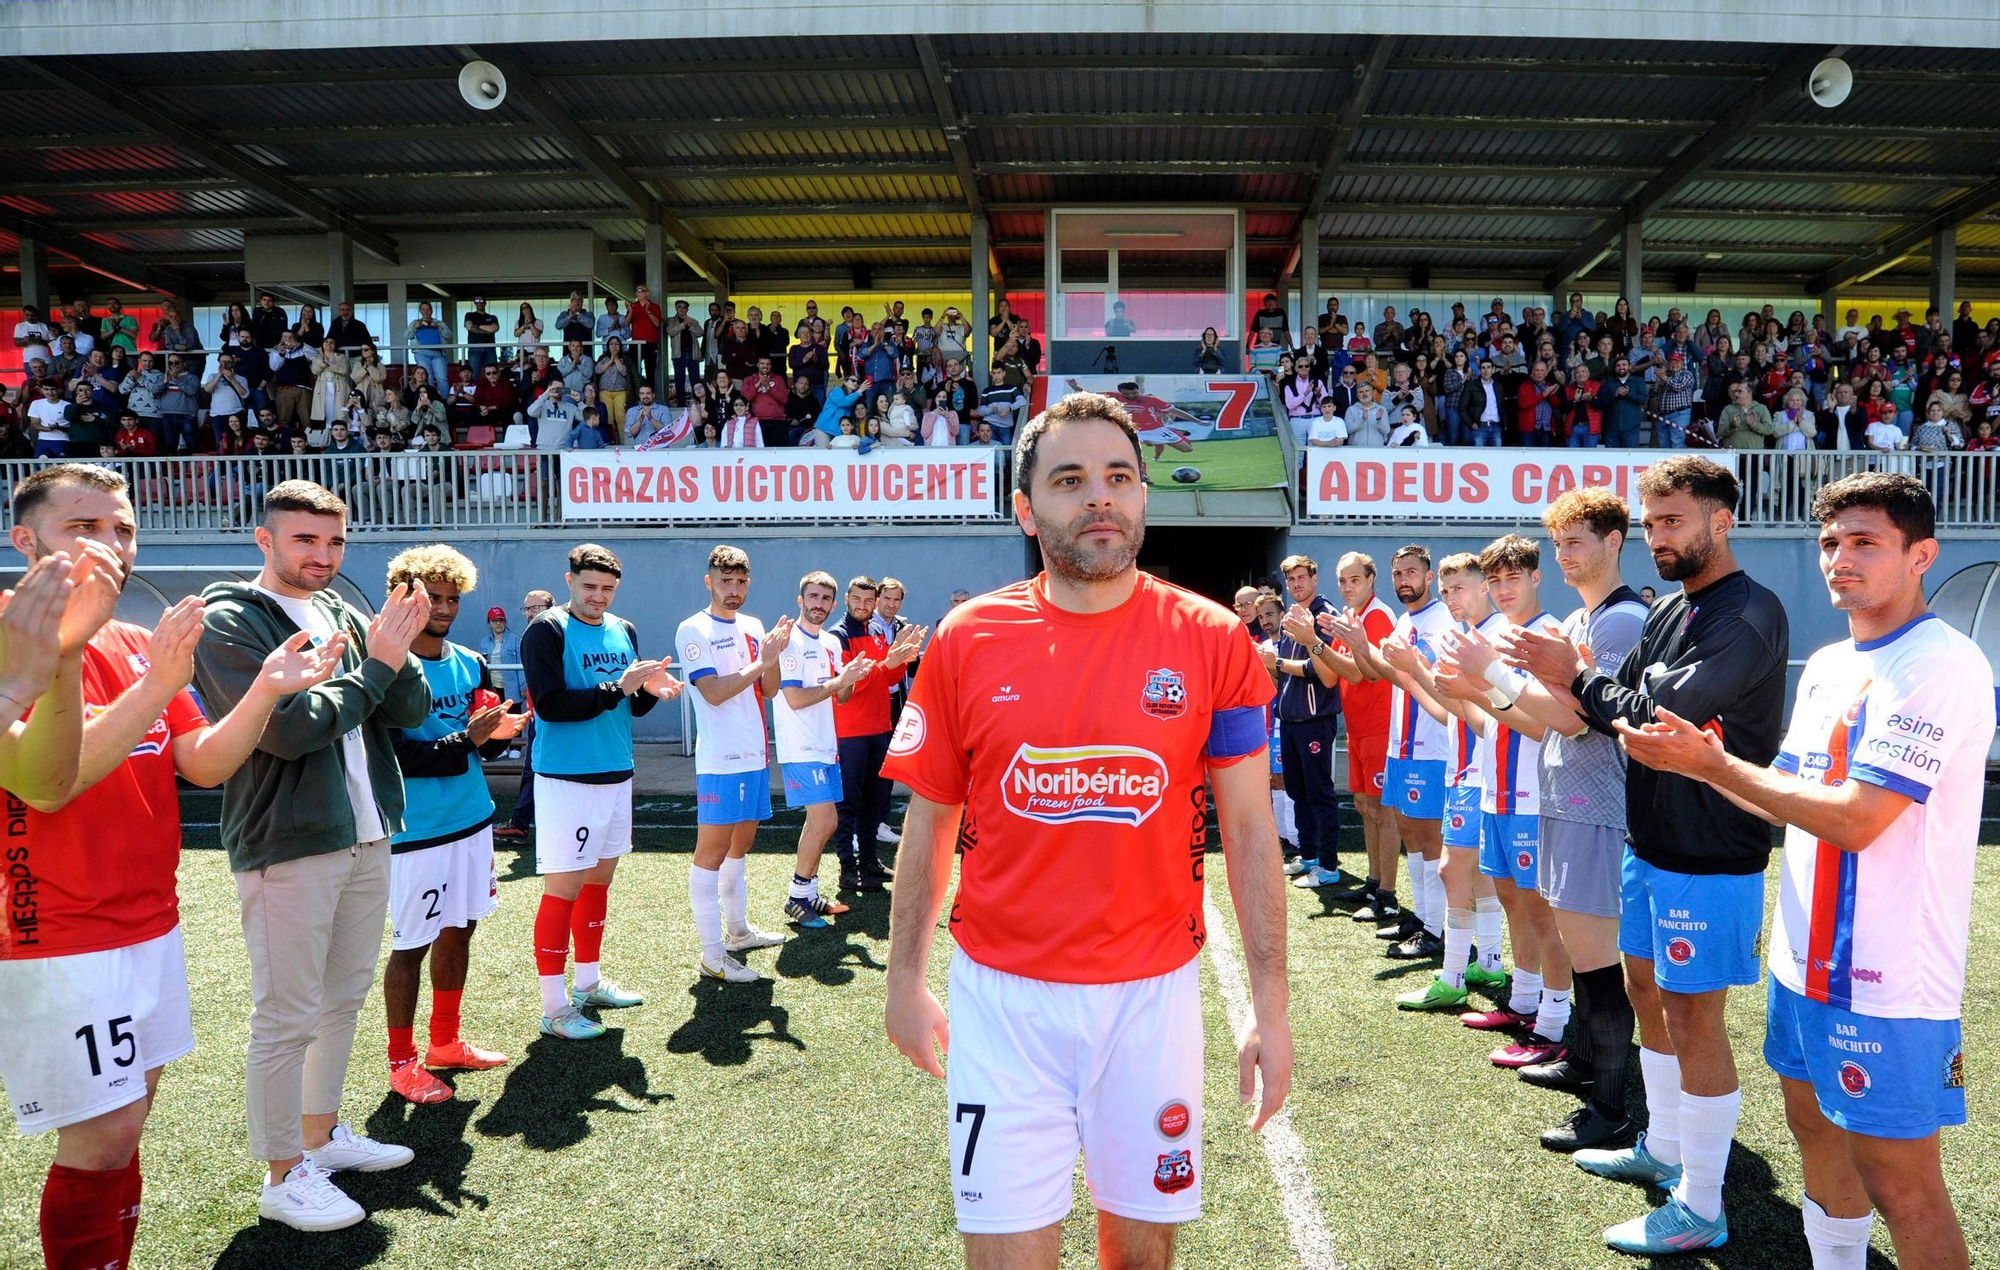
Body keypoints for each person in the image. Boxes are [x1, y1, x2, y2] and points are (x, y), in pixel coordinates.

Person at [882, 391, 1290, 1270]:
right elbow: (931, 821)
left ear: (1144, 497)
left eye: (1118, 477)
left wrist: (1270, 1009)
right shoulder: (966, 637)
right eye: (1070, 480)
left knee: (1141, 1260)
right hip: (1002, 1002)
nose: (1098, 498)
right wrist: (904, 979)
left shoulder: (1214, 639)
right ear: (1027, 510)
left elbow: (1252, 834)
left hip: (1155, 999)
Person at [1617, 472, 1988, 1270]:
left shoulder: (1940, 663)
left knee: (1902, 1184)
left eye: (1865, 543)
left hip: (1884, 978)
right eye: (1829, 543)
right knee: (1814, 1133)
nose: (1840, 560)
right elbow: (1778, 797)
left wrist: (1709, 765)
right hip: (1800, 961)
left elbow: (1855, 819)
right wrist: (1703, 768)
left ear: (1921, 554)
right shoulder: (1827, 663)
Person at [0, 467, 325, 1262]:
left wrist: (265, 691)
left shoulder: (140, 640)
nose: (112, 545)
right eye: (84, 528)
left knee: (128, 1125)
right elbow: (48, 786)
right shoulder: (12, 638)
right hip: (59, 931)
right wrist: (141, 683)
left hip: (150, 919)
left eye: (123, 529)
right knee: (102, 1139)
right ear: (25, 541)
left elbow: (203, 764)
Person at [1502, 455, 1789, 1255]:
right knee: (1646, 990)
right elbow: (1609, 706)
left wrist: (1579, 676)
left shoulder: (1750, 613)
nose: (1662, 535)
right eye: (1654, 521)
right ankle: (1663, 1145)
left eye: (1675, 521)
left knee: (1696, 1015)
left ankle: (1702, 1203)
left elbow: (1662, 716)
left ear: (1719, 521)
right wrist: (1578, 682)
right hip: (1648, 841)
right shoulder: (1669, 611)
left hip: (1711, 851)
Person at [191, 480, 434, 1231]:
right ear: (265, 540)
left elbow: (409, 710)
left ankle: (320, 1139)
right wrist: (378, 666)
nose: (323, 556)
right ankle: (280, 1176)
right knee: (286, 1014)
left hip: (365, 830)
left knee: (341, 999)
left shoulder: (339, 609)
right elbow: (290, 730)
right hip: (287, 839)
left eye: (334, 542)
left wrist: (398, 653)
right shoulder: (229, 619)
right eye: (305, 540)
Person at [1454, 489, 1651, 1151]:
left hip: (1597, 811)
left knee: (1598, 967)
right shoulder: (1579, 621)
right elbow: (1540, 723)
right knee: (1586, 955)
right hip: (1567, 805)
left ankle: (1612, 1109)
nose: (1566, 555)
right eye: (1560, 542)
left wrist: (1492, 675)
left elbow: (1573, 719)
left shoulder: (1617, 623)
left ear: (1614, 541)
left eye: (1577, 541)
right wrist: (1484, 683)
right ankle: (1590, 1066)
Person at [379, 546, 526, 1104]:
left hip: (473, 819)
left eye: (450, 598)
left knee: (461, 928)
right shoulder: (386, 666)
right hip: (417, 831)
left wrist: (497, 735)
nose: (442, 608)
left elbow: (477, 753)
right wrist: (470, 738)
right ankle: (401, 1062)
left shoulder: (469, 660)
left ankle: (445, 1042)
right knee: (411, 944)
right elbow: (398, 758)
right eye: (430, 597)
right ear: (404, 597)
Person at [521, 545, 679, 1036]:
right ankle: (554, 1008)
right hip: (568, 778)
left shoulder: (623, 629)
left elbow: (628, 708)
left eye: (608, 589)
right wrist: (619, 686)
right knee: (563, 891)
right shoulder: (545, 630)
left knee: (598, 884)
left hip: (617, 771)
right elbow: (550, 706)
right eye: (589, 587)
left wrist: (649, 693)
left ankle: (588, 983)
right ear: (569, 581)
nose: (598, 597)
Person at [1425, 538, 1572, 1059]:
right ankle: (1525, 1000)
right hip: (1496, 792)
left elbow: (1543, 728)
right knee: (1513, 902)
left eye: (1515, 578)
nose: (1504, 589)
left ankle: (1554, 1021)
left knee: (1540, 911)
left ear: (1536, 577)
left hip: (1536, 797)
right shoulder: (1500, 637)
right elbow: (1489, 725)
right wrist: (1461, 691)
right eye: (1497, 581)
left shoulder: (1549, 635)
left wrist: (1477, 687)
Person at [1379, 552, 1508, 1012]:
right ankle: (1489, 963)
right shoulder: (1465, 637)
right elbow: (1444, 710)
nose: (1452, 597)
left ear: (1483, 588)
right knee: (1472, 874)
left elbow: (1479, 719)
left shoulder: (1491, 638)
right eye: (1448, 590)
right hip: (1465, 770)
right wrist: (1414, 671)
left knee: (1455, 870)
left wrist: (1422, 668)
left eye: (1460, 588)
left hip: (1481, 772)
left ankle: (1453, 976)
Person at [1326, 547, 1453, 954]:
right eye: (1399, 572)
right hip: (1401, 742)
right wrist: (1362, 646)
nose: (1404, 580)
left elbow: (1424, 675)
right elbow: (1384, 672)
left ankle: (1438, 930)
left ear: (1429, 577)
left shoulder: (1440, 620)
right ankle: (1421, 917)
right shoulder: (1402, 620)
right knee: (1411, 832)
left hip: (1431, 743)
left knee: (1430, 837)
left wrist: (1359, 648)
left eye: (1412, 572)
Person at [675, 545, 789, 982]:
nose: (734, 589)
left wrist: (773, 656)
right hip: (720, 758)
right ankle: (711, 954)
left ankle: (738, 932)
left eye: (741, 581)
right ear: (710, 582)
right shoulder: (693, 628)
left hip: (755, 753)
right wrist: (763, 659)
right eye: (726, 581)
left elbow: (770, 690)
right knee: (711, 853)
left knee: (740, 846)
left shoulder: (754, 626)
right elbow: (715, 692)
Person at [767, 571, 876, 930]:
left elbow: (840, 696)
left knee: (819, 823)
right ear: (800, 600)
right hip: (800, 747)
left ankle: (809, 892)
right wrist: (837, 682)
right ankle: (797, 897)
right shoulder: (790, 642)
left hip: (827, 746)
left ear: (833, 604)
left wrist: (851, 678)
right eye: (812, 597)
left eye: (825, 599)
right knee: (827, 820)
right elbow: (795, 698)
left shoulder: (830, 642)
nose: (819, 604)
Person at [830, 577, 924, 891]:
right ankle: (847, 870)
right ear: (846, 598)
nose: (863, 605)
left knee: (874, 802)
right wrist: (889, 663)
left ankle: (868, 862)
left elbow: (888, 678)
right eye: (857, 599)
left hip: (880, 729)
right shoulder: (837, 636)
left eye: (868, 601)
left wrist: (903, 656)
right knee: (848, 806)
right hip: (851, 733)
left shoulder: (875, 632)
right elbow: (849, 685)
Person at [1262, 555, 1345, 889]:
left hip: (1316, 719)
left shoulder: (1325, 616)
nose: (1297, 584)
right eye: (1291, 579)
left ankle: (1328, 864)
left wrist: (1277, 661)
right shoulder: (1290, 617)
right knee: (1298, 790)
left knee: (1320, 793)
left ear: (1314, 578)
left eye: (1302, 577)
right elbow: (1285, 672)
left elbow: (1323, 672)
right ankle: (1308, 855)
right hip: (1291, 717)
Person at [495, 589, 555, 843]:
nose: (529, 612)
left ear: (550, 607)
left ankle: (523, 823)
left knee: (540, 770)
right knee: (533, 770)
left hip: (552, 717)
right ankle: (521, 822)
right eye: (527, 608)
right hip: (538, 715)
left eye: (535, 607)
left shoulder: (556, 634)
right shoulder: (531, 636)